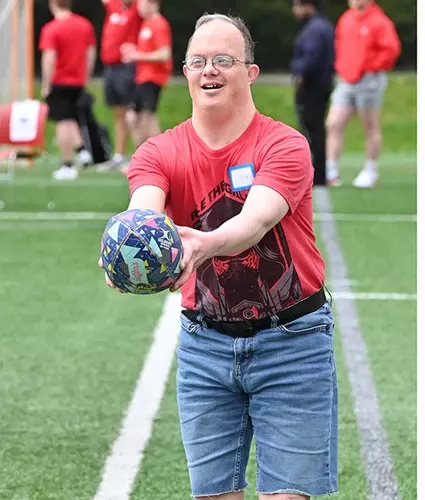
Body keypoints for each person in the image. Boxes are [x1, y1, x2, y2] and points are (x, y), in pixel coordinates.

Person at [100, 13, 337, 500]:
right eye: (199, 60)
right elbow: (143, 209)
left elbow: (254, 222)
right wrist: (127, 250)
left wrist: (202, 245)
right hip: (204, 344)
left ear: (250, 72)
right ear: (184, 72)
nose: (211, 69)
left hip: (292, 341)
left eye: (225, 59)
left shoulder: (285, 144)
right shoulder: (156, 153)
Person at [325, 0, 401, 189]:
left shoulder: (379, 21)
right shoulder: (346, 18)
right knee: (333, 123)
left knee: (369, 126)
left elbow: (391, 50)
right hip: (346, 79)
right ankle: (330, 169)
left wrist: (371, 67)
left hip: (369, 80)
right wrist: (341, 67)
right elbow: (340, 44)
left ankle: (371, 170)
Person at [38, 0, 96, 181]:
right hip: (78, 80)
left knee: (63, 122)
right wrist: (87, 75)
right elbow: (91, 51)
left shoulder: (52, 28)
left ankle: (67, 164)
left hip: (60, 80)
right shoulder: (84, 24)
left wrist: (46, 84)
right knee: (71, 117)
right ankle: (82, 150)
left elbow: (49, 58)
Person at [291, 0, 335, 187]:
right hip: (322, 85)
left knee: (311, 130)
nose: (295, 10)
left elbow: (311, 58)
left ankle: (315, 174)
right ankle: (318, 173)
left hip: (312, 87)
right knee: (316, 129)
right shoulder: (322, 26)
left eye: (297, 5)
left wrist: (301, 75)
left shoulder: (313, 30)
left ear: (307, 5)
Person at [97, 0, 141, 171]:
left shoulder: (137, 8)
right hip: (110, 66)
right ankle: (119, 155)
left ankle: (140, 155)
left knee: (132, 112)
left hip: (127, 67)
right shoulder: (114, 5)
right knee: (118, 112)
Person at [122, 0, 172, 152]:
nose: (138, 7)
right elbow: (148, 49)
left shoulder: (159, 24)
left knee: (147, 117)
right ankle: (146, 152)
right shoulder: (146, 24)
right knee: (132, 116)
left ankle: (155, 154)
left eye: (141, 3)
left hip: (153, 77)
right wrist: (134, 50)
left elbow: (164, 54)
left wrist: (137, 55)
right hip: (142, 77)